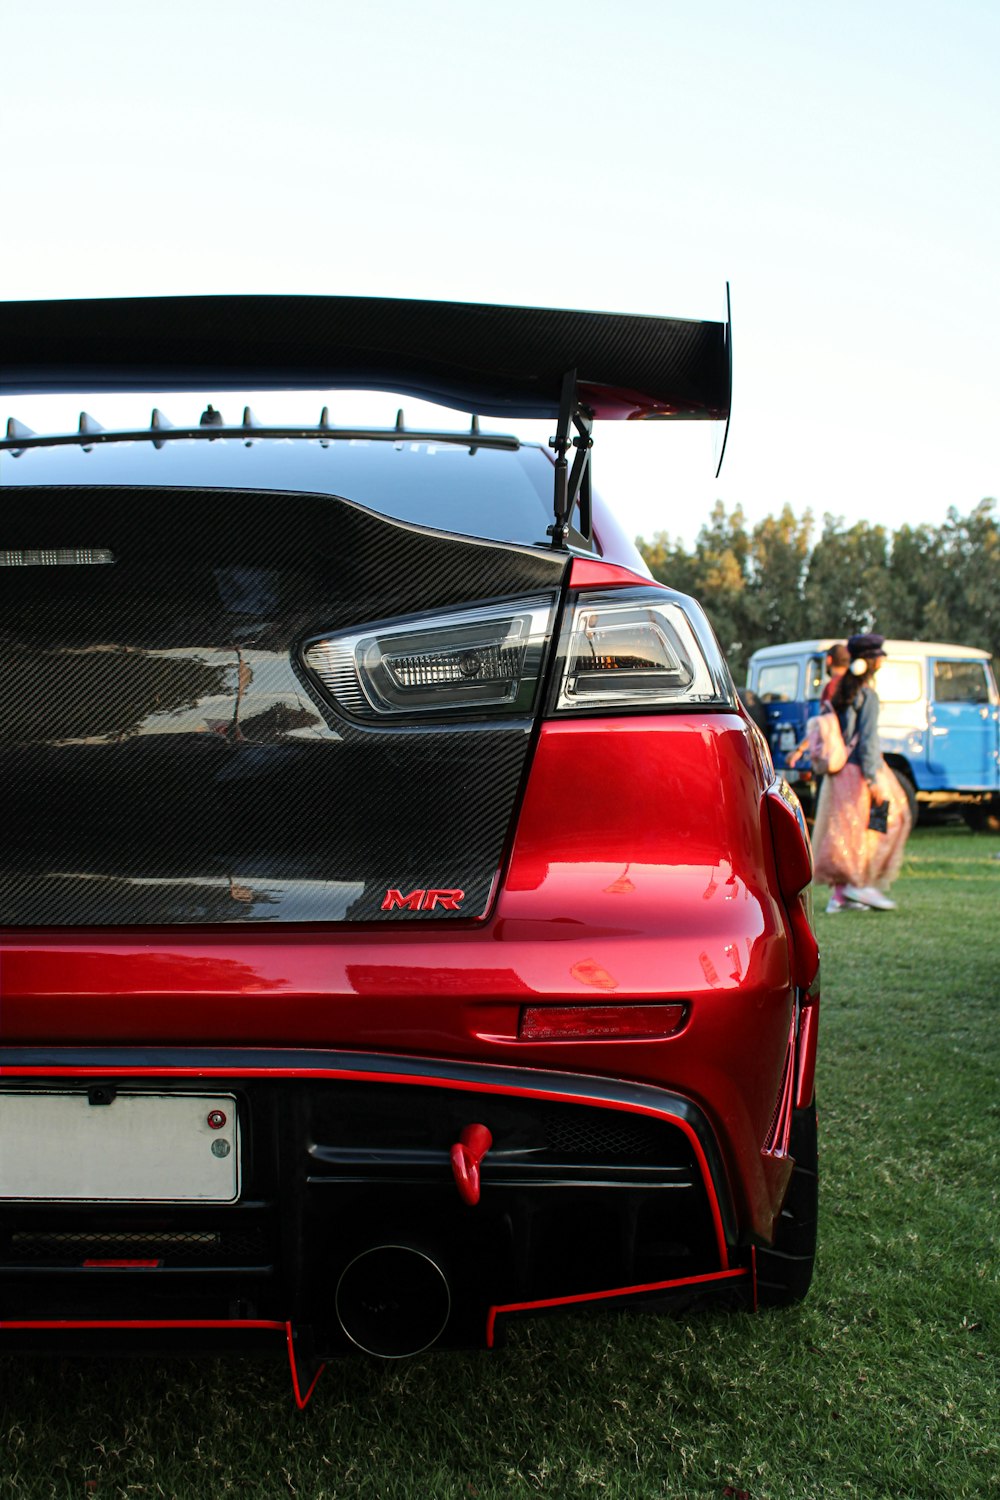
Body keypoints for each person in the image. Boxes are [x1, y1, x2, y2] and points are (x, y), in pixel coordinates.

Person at [811, 633, 912, 912]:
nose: (881, 661)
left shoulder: (841, 689)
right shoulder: (867, 695)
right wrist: (872, 779)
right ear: (870, 662)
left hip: (838, 771)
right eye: (878, 657)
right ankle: (860, 885)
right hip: (858, 771)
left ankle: (841, 896)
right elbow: (867, 740)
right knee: (889, 819)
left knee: (844, 830)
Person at [785, 643, 851, 767]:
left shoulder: (832, 687)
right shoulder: (858, 687)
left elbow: (821, 725)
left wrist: (799, 750)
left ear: (829, 660)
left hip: (835, 756)